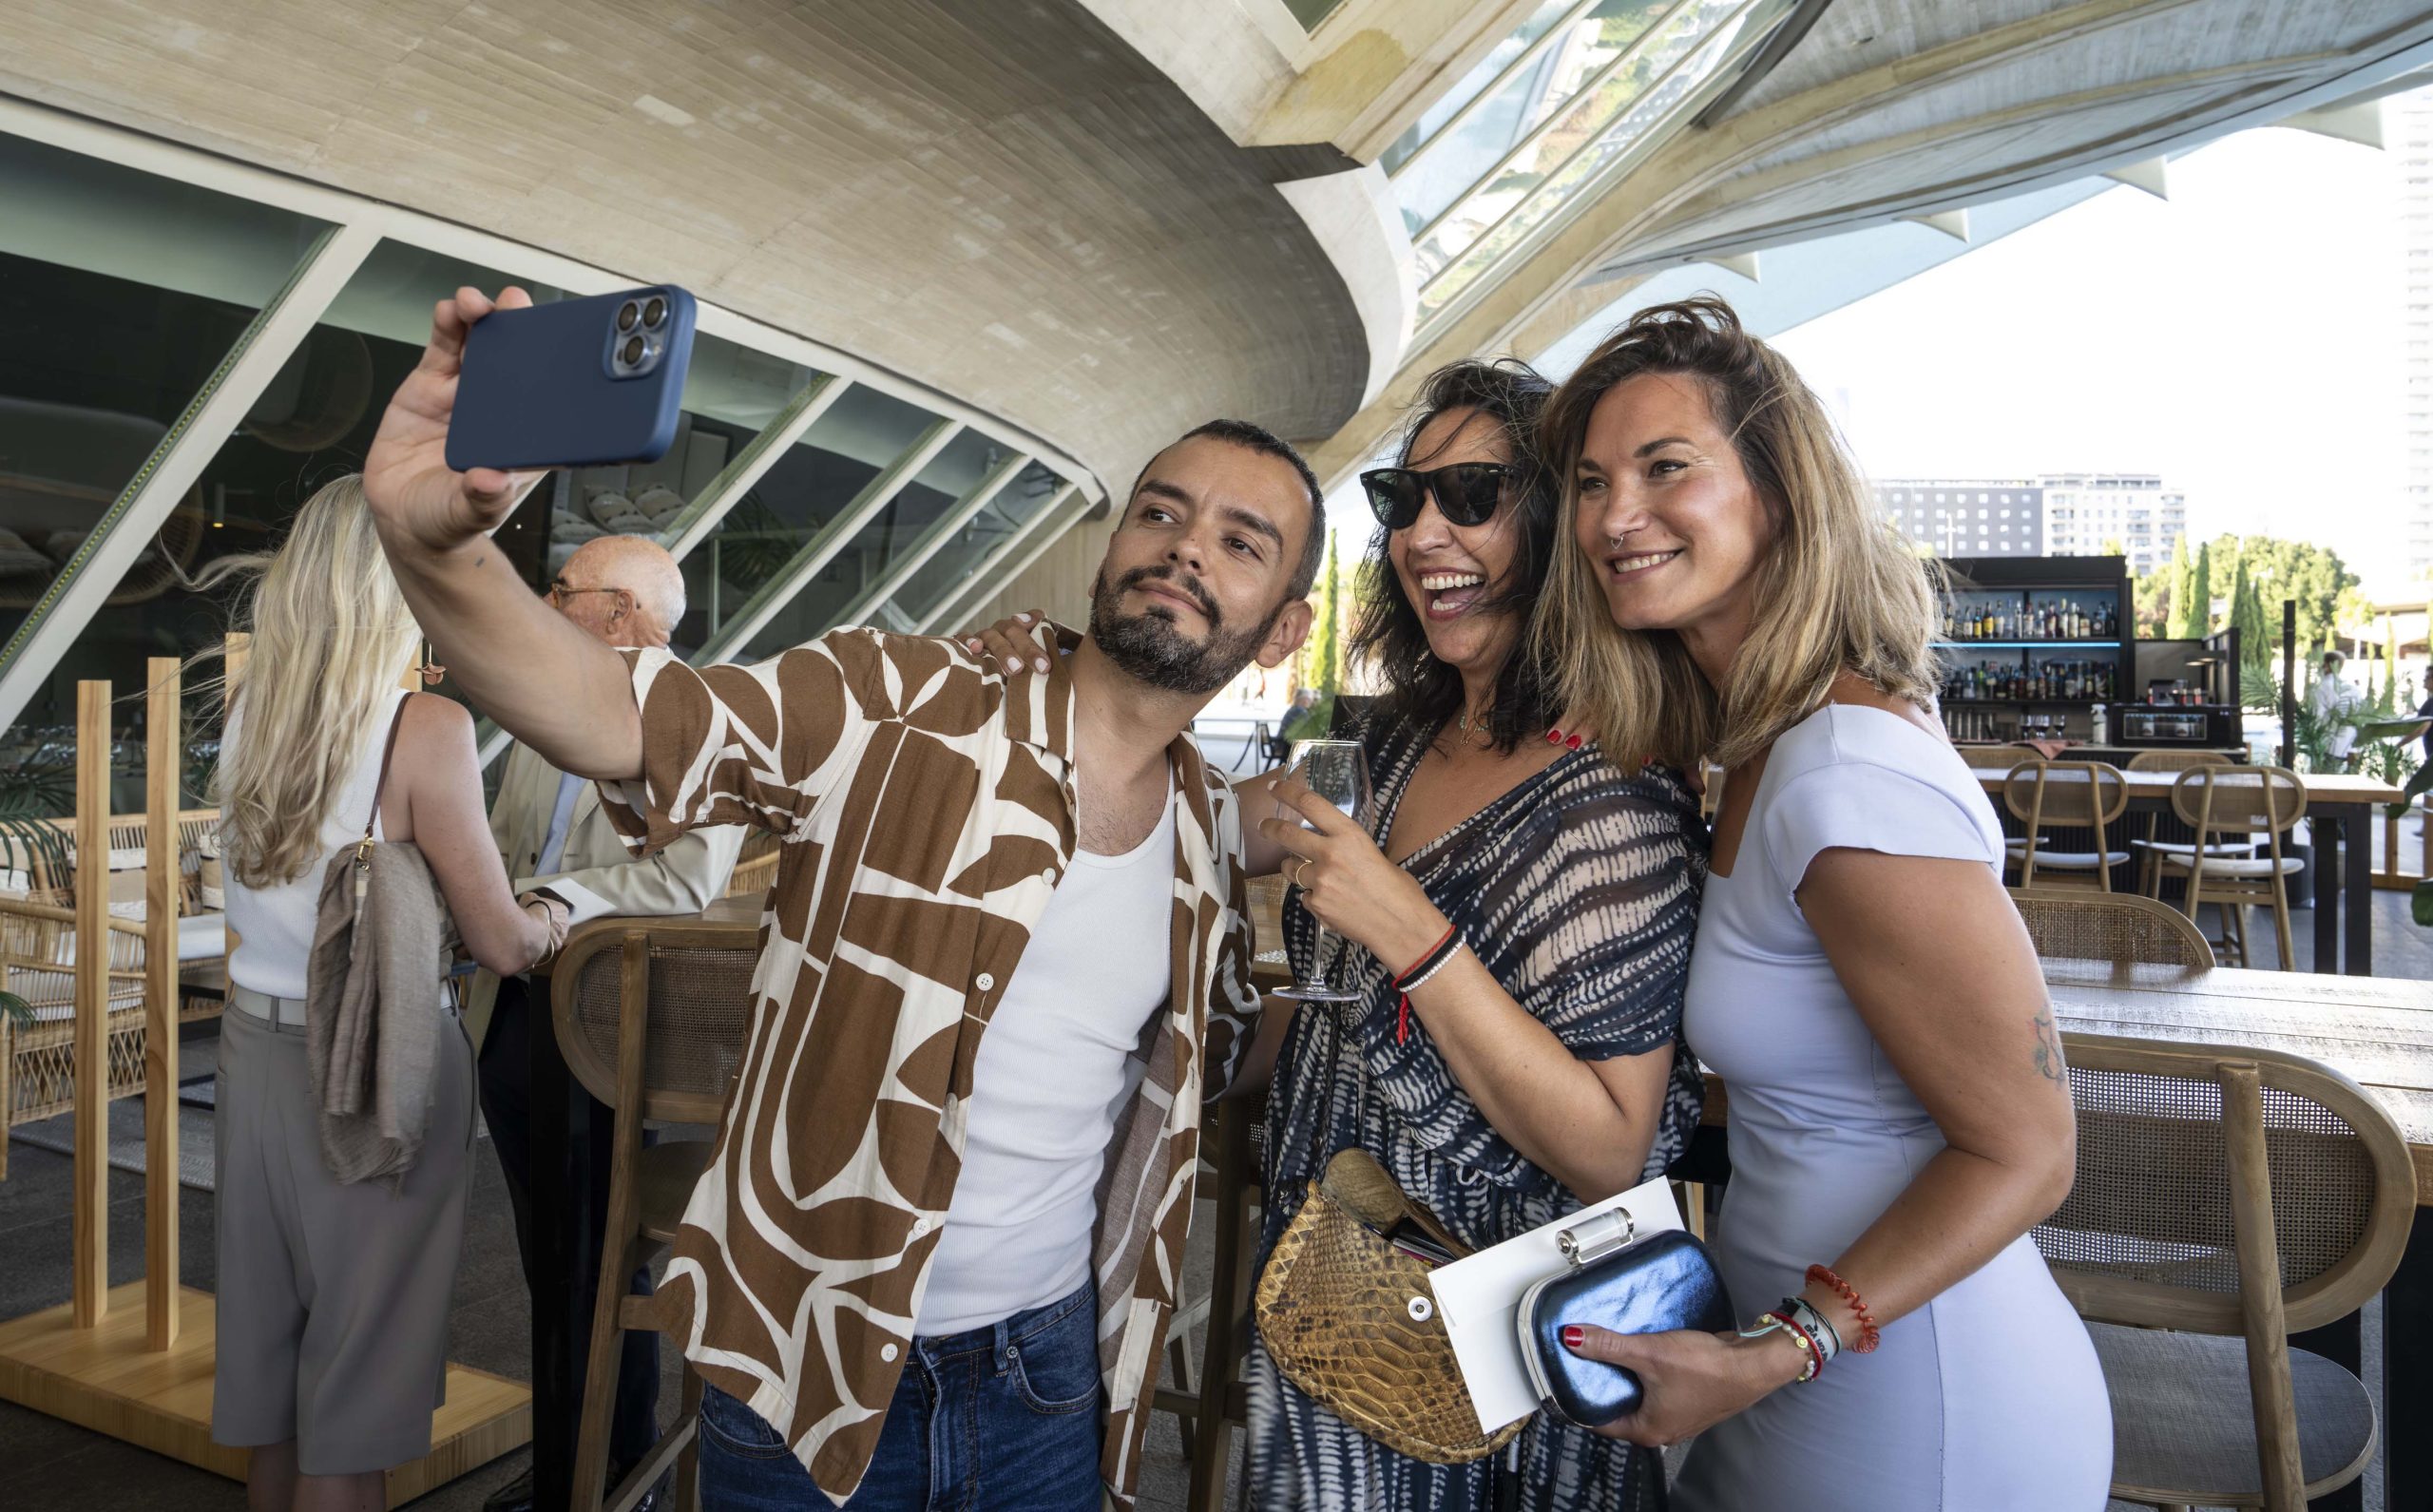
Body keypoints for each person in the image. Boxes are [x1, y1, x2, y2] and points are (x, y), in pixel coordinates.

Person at [356, 285, 1322, 1512]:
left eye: (1241, 542)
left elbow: (1220, 1049)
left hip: (1049, 1377)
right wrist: (432, 540)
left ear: (1285, 627)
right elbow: (615, 712)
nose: (1187, 546)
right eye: (1161, 511)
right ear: (1115, 541)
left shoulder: (1202, 841)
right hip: (809, 1360)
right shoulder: (901, 701)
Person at [970, 360, 1704, 1511]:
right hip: (1325, 1303)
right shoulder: (1400, 746)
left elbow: (1611, 1146)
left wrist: (1411, 932)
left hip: (1475, 1361)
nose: (1423, 533)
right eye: (1402, 499)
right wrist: (1064, 677)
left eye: (1470, 494)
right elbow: (1186, 810)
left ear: (1558, 519)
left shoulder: (1614, 793)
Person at [1533, 298, 2110, 1510]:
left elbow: (2030, 1147)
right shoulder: (1757, 748)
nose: (1613, 515)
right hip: (1813, 1365)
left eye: (1664, 468)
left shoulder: (1842, 773)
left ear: (1778, 495)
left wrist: (1777, 1350)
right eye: (1590, 482)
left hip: (1918, 1399)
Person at [209, 475, 564, 1512]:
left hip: (250, 1049)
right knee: (357, 1383)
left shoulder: (246, 712)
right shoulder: (424, 727)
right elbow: (498, 938)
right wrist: (557, 917)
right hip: (375, 1061)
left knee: (274, 1373)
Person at [467, 534, 744, 1512]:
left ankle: (608, 1477)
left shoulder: (697, 721)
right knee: (551, 1255)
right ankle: (570, 1470)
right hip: (510, 1008)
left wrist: (537, 901)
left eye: (563, 589)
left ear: (627, 612)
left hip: (612, 1022)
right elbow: (498, 841)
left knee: (601, 1258)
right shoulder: (551, 702)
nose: (547, 600)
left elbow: (682, 881)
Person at [2311, 650, 2359, 773]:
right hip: (2349, 743)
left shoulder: (2323, 686)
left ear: (2327, 665)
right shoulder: (2352, 687)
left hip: (2327, 744)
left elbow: (2317, 716)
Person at [1268, 685, 1319, 760]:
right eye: (1309, 699)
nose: (1310, 702)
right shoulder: (1300, 710)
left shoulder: (1294, 709)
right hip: (1286, 747)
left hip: (1282, 744)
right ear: (1303, 699)